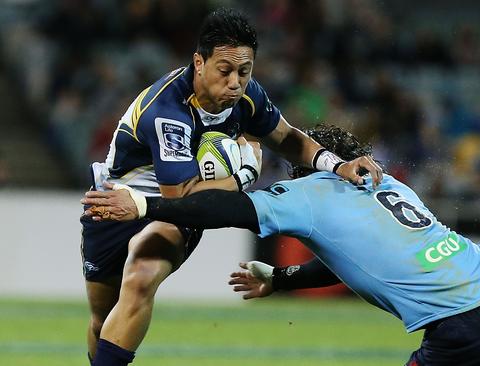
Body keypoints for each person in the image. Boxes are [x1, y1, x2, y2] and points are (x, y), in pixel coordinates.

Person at [82, 124, 480, 366]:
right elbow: (355, 258)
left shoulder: (307, 192)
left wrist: (145, 205)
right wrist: (280, 279)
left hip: (464, 324)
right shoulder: (383, 180)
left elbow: (220, 210)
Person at [80, 9, 382, 366]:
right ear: (199, 63)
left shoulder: (247, 95)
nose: (236, 83)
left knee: (142, 273)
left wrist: (337, 163)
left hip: (172, 210)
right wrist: (243, 177)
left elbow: (284, 137)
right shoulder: (168, 112)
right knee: (102, 317)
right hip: (115, 202)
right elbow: (183, 192)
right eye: (225, 71)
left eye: (245, 71)